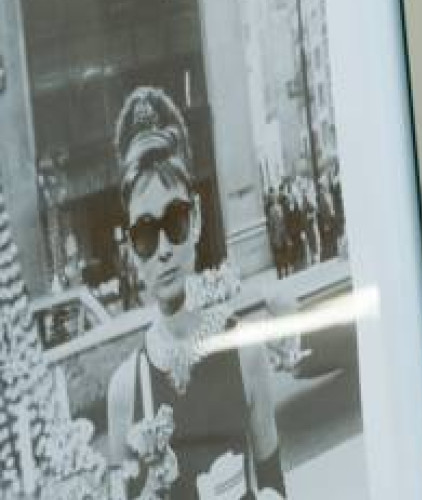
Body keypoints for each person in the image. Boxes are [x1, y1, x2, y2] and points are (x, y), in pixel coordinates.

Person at [107, 87, 285, 499]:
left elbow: (274, 483)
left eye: (175, 221)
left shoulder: (245, 351)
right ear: (131, 250)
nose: (163, 249)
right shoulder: (125, 390)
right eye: (146, 233)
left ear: (198, 218)